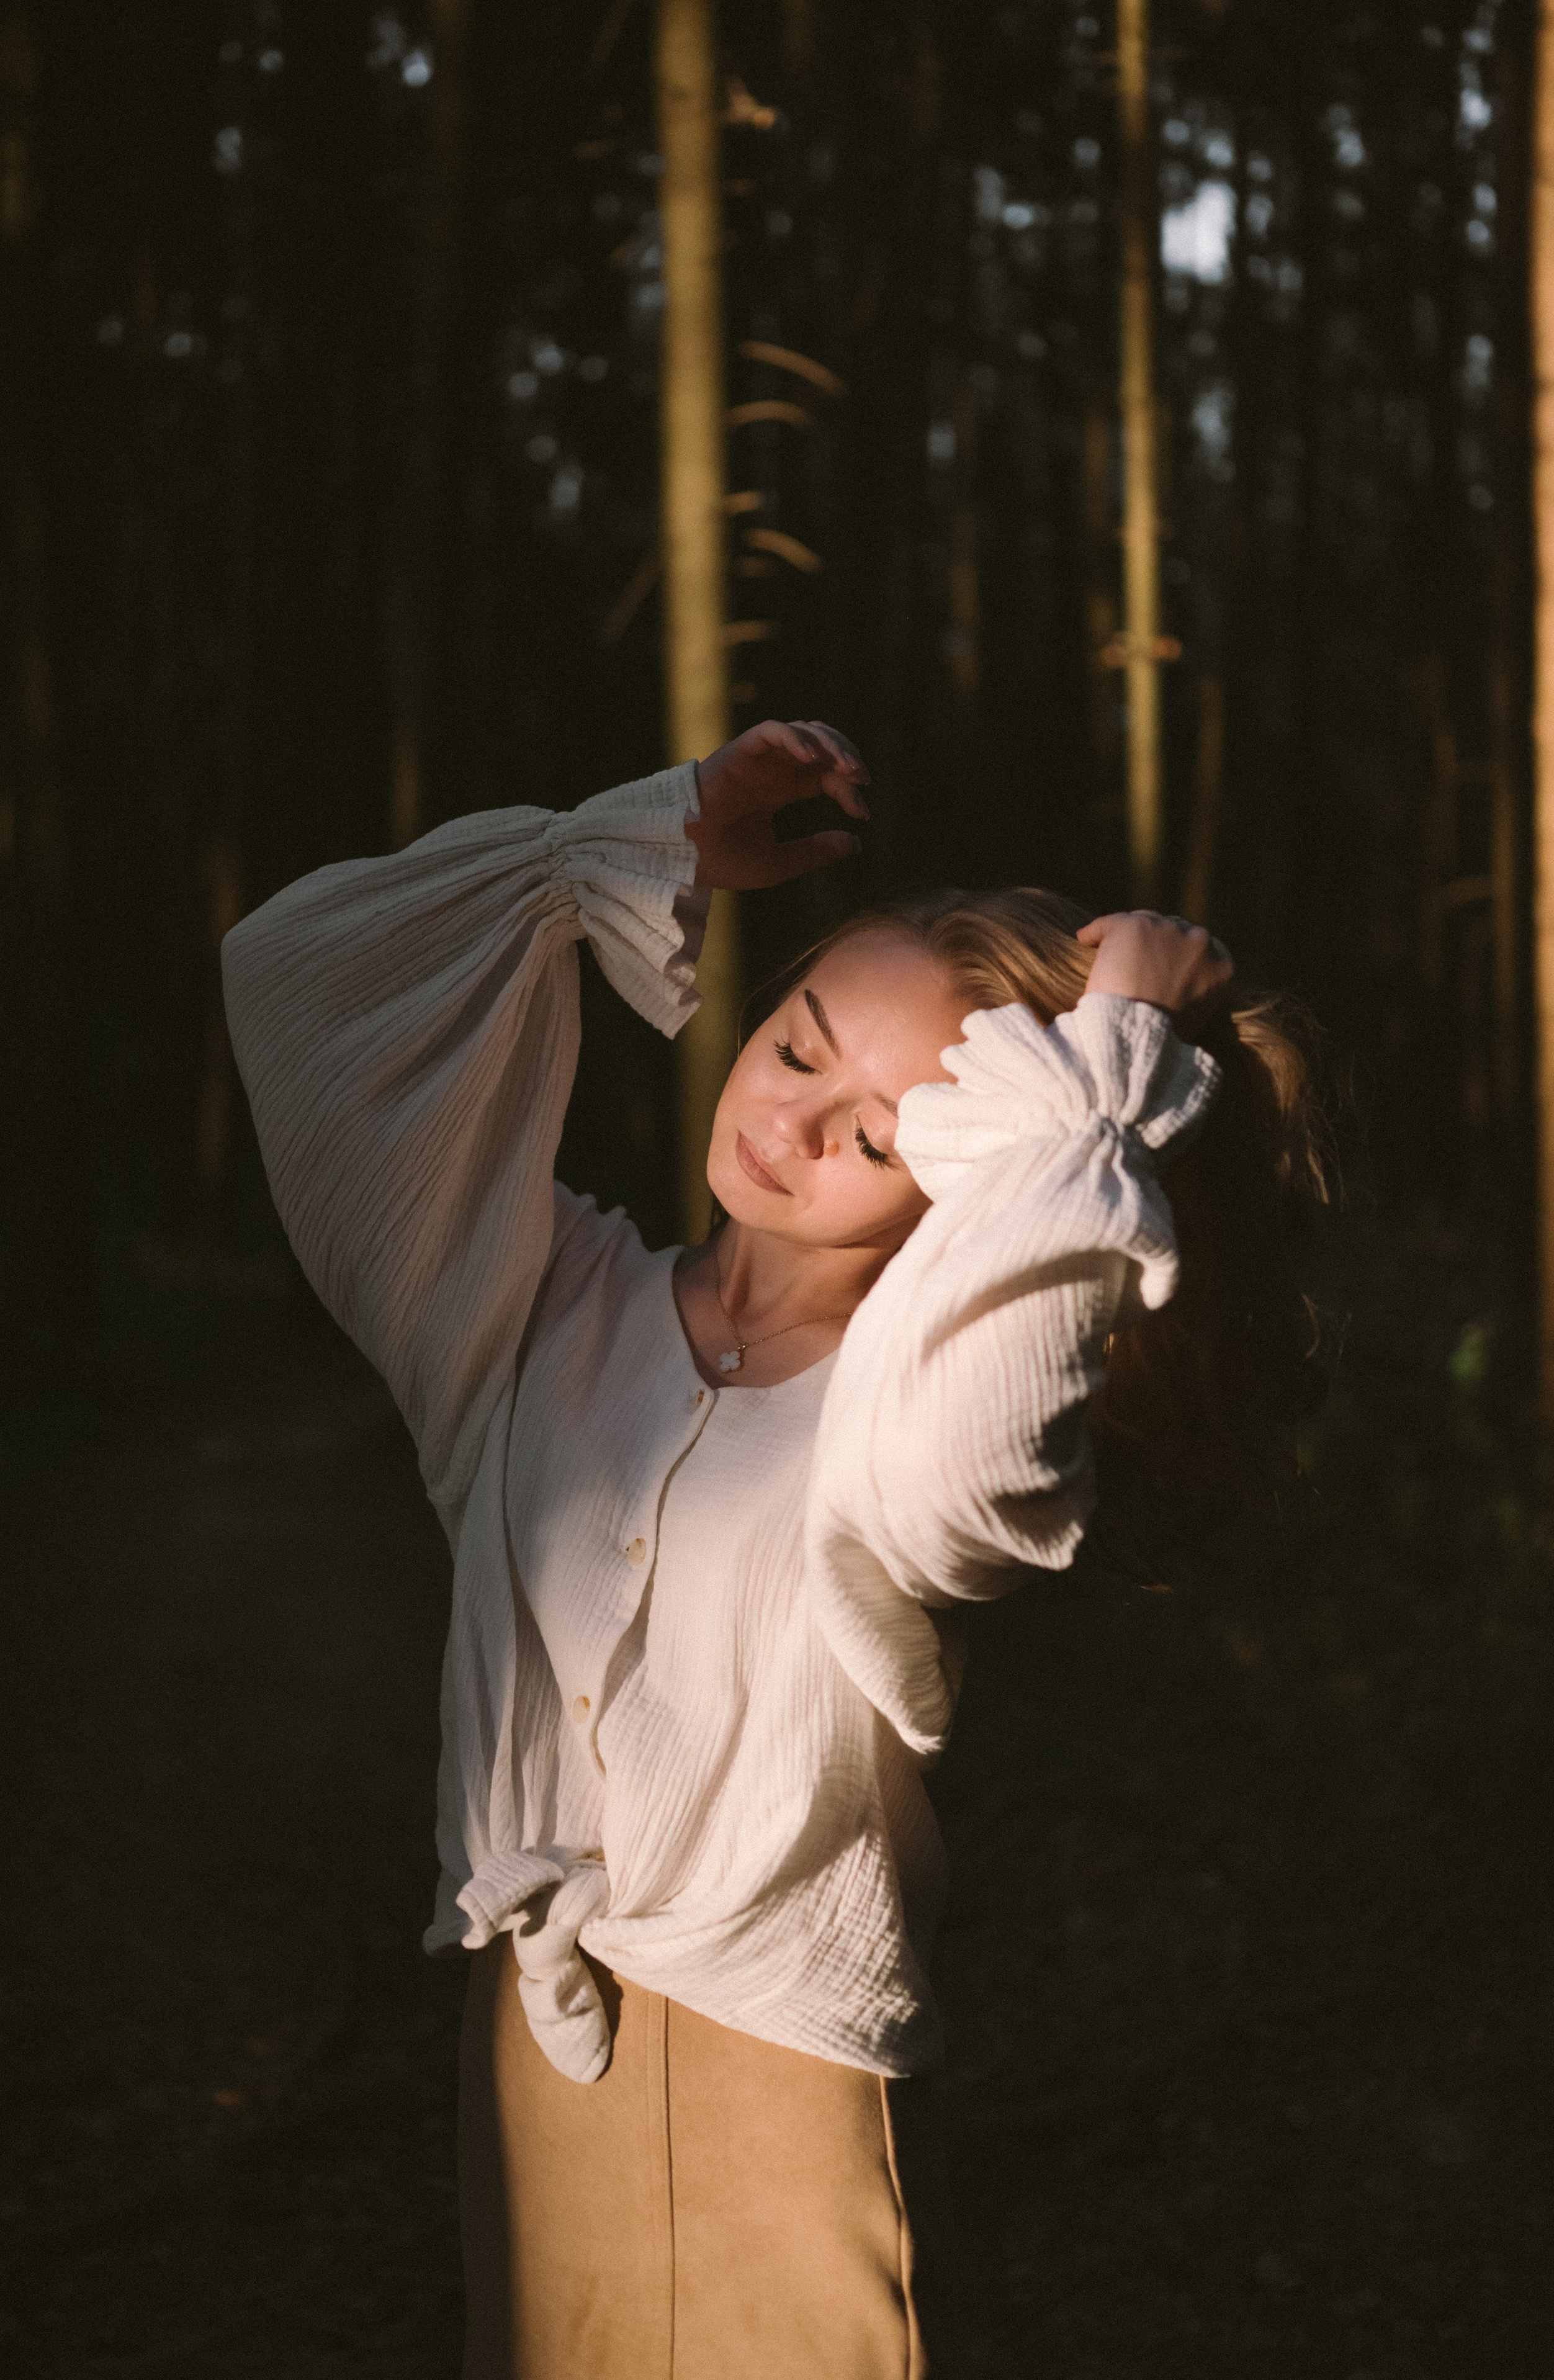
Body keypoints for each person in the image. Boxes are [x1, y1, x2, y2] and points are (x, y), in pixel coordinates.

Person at [222, 719, 1324, 2379]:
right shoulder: (534, 1307)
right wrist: (632, 841)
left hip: (778, 2078)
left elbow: (971, 1449)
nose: (800, 1126)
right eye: (802, 1045)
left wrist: (1109, 1057)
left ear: (973, 1177)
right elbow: (294, 977)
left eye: (885, 1137)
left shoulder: (910, 1405)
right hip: (523, 2042)